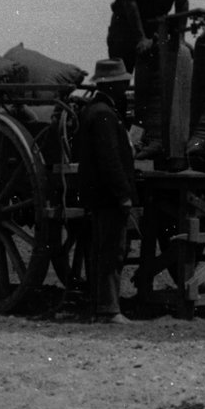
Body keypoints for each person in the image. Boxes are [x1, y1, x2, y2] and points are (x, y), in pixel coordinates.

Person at [74, 61, 137, 324]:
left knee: (104, 248)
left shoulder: (98, 110)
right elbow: (109, 159)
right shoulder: (103, 114)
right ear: (111, 85)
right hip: (107, 195)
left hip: (99, 193)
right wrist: (122, 194)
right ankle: (109, 309)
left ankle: (102, 306)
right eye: (122, 84)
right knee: (112, 250)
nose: (126, 88)